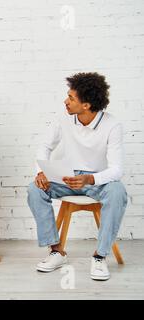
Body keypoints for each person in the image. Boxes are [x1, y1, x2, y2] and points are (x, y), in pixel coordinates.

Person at [27, 72, 127, 281]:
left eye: (71, 98)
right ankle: (56, 251)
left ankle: (100, 257)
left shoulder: (112, 125)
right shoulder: (63, 119)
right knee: (34, 188)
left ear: (87, 105)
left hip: (96, 180)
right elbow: (44, 147)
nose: (66, 101)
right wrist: (40, 171)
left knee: (118, 191)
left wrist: (90, 179)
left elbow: (117, 169)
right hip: (66, 177)